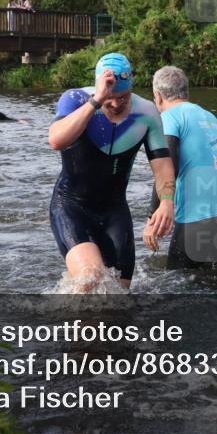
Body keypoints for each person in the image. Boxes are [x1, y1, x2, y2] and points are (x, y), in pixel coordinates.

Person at [47, 53, 175, 289]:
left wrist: (167, 202)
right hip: (71, 206)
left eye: (123, 97)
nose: (116, 104)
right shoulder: (75, 99)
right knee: (91, 276)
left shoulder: (147, 113)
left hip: (114, 211)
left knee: (120, 293)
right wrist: (96, 101)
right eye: (110, 99)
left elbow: (163, 166)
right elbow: (56, 140)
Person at [144, 66, 217, 269]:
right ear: (186, 92)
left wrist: (153, 215)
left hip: (197, 215)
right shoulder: (210, 117)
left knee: (177, 283)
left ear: (158, 96)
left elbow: (166, 170)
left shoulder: (169, 118)